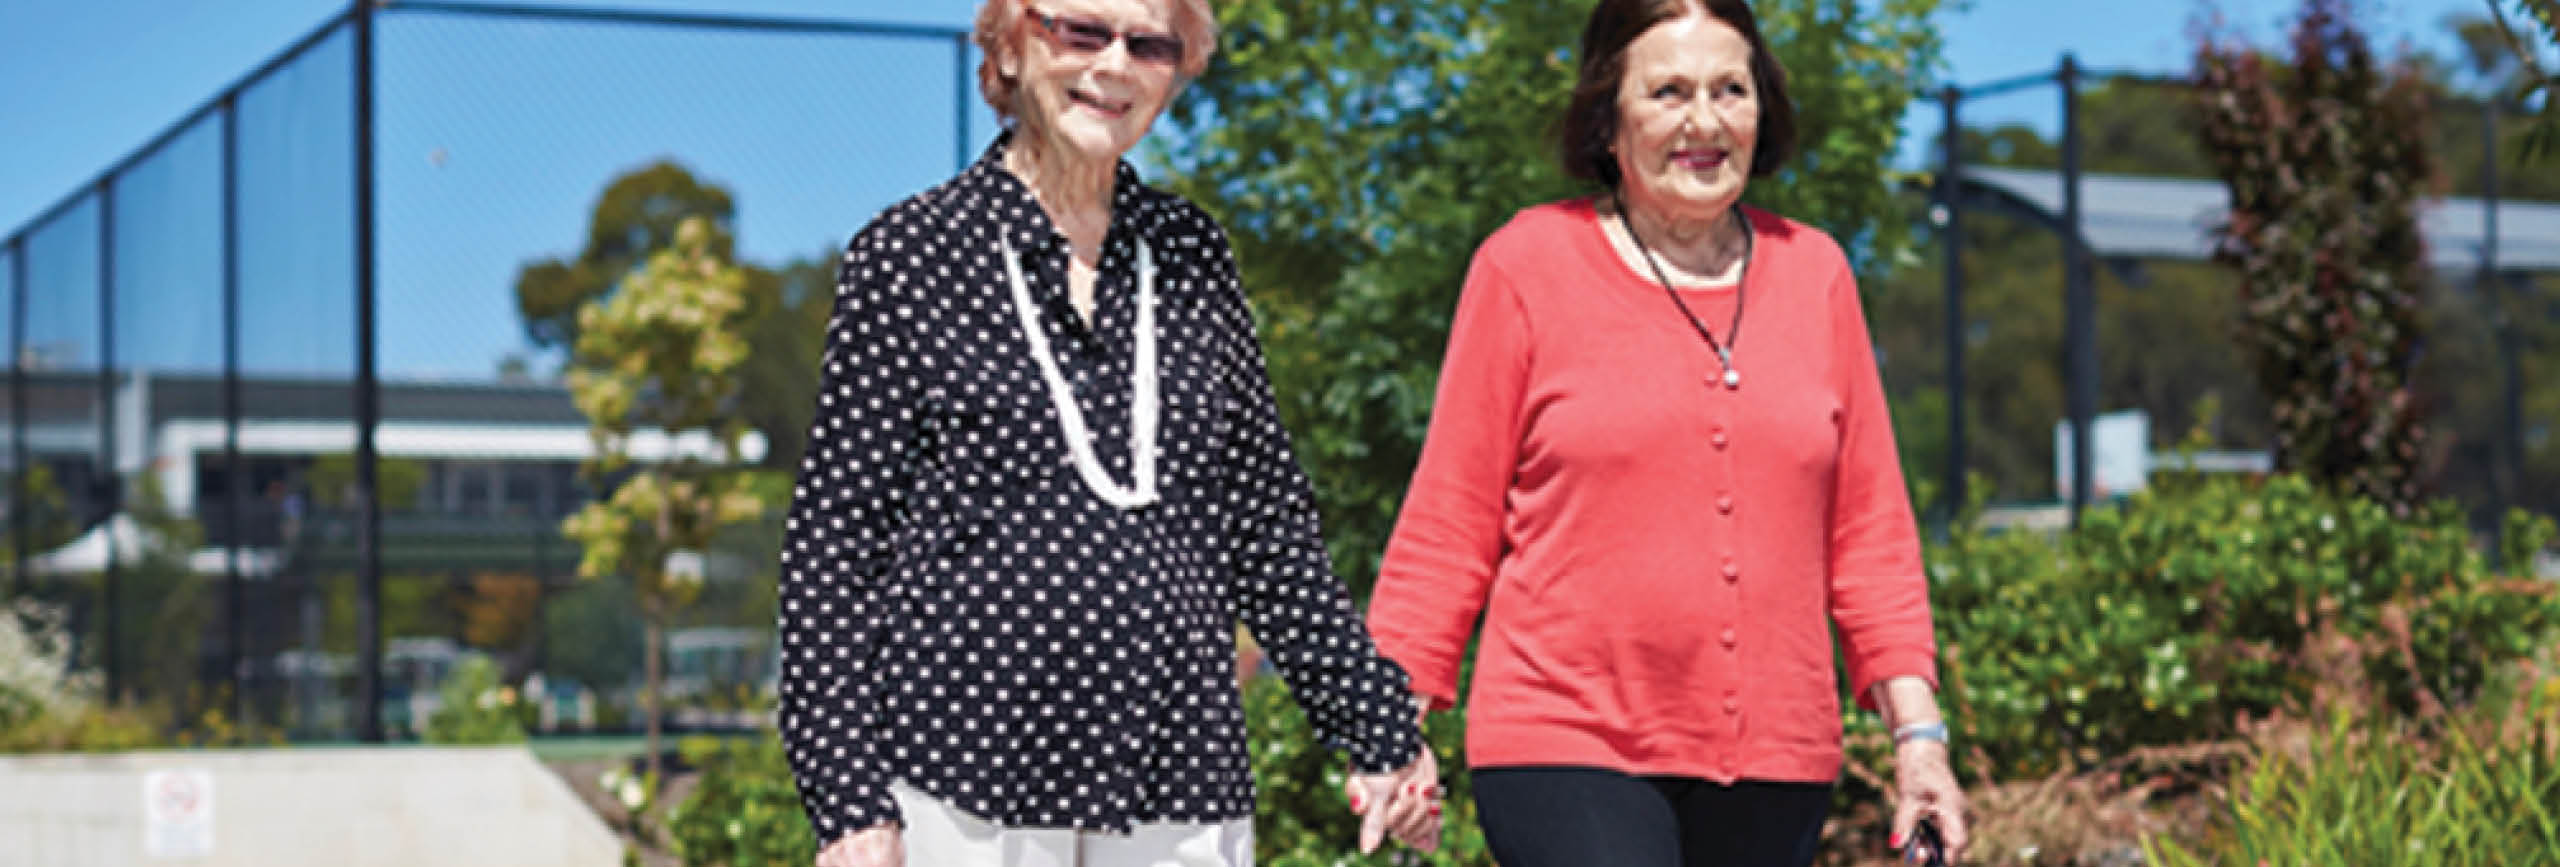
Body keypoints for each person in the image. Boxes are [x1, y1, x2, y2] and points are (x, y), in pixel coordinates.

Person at [775, 1, 1441, 865]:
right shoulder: (910, 256)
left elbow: (1267, 529)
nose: (1115, 65)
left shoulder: (1195, 257)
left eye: (1150, 43)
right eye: (1081, 30)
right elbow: (833, 550)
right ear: (1012, 46)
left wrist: (1382, 731)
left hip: (1179, 779)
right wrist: (848, 801)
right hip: (964, 779)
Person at [1363, 1, 1972, 865]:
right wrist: (1391, 726)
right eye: (1669, 91)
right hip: (1564, 735)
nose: (1704, 121)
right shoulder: (1526, 265)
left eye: (1731, 89)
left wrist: (1921, 740)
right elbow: (1449, 520)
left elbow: (1869, 536)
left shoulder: (1817, 273)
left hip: (1778, 750)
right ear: (1611, 119)